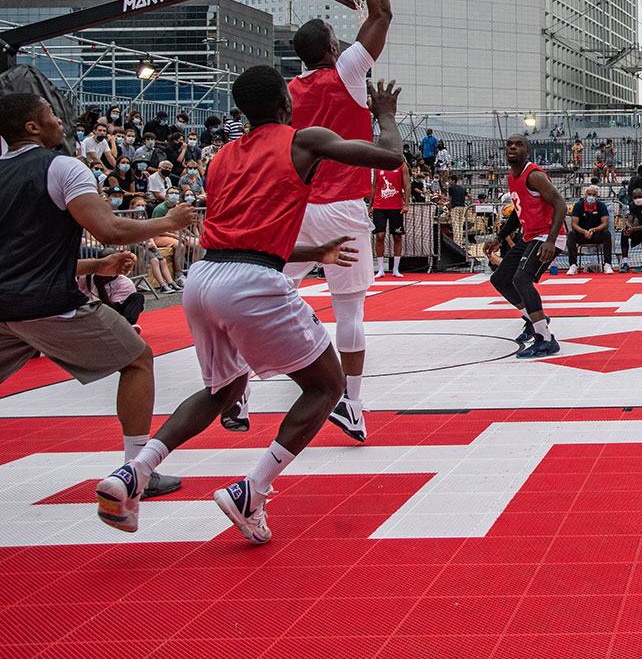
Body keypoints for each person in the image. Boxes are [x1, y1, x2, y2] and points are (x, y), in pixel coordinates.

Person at [95, 67, 403, 539]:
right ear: (285, 101)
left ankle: (133, 471)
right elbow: (389, 157)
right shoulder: (303, 140)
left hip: (203, 278)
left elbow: (244, 237)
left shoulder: (220, 158)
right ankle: (251, 492)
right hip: (250, 281)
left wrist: (312, 252)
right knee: (326, 387)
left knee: (223, 389)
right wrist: (384, 115)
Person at [0, 92, 197, 501]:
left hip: (5, 306)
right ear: (32, 127)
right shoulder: (61, 168)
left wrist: (94, 267)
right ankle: (137, 470)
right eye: (51, 114)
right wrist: (169, 220)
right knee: (138, 358)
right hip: (47, 304)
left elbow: (21, 256)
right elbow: (108, 228)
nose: (60, 120)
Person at [281, 0, 393, 444]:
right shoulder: (346, 70)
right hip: (344, 203)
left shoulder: (288, 91)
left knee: (273, 289)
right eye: (334, 35)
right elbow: (382, 12)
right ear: (330, 48)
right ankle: (353, 404)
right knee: (349, 308)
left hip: (298, 206)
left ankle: (236, 384)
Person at [483, 135, 567, 358]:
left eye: (518, 144)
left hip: (549, 236)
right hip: (531, 236)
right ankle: (533, 319)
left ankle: (545, 338)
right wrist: (499, 238)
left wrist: (550, 240)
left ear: (527, 151)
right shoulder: (513, 176)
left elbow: (560, 204)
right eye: (509, 144)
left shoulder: (535, 175)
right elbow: (517, 212)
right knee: (499, 279)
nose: (512, 146)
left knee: (522, 278)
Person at [127, 197, 180, 293]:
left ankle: (170, 282)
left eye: (143, 205)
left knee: (163, 261)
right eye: (138, 205)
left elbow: (149, 233)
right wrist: (145, 243)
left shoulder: (144, 218)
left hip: (149, 244)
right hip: (139, 245)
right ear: (131, 206)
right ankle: (162, 285)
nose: (141, 207)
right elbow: (131, 236)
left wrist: (152, 242)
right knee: (155, 261)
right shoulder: (128, 220)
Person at [369, 162, 410, 278]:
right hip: (379, 206)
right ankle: (380, 269)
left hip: (396, 206)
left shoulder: (401, 166)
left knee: (397, 236)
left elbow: (407, 185)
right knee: (380, 235)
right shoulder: (377, 166)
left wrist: (406, 204)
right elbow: (374, 186)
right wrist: (370, 205)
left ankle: (395, 269)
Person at [566, 185, 613, 275]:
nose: (591, 196)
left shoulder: (601, 206)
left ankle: (607, 264)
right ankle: (573, 265)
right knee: (571, 234)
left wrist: (594, 230)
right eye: (589, 194)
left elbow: (605, 224)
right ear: (585, 195)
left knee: (606, 233)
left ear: (596, 196)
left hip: (596, 234)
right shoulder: (578, 206)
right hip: (582, 235)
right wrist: (584, 231)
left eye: (593, 194)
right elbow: (574, 224)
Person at [620, 187, 642, 272]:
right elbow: (630, 220)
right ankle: (625, 263)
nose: (637, 199)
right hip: (638, 229)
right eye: (635, 197)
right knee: (624, 233)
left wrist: (634, 229)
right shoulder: (632, 205)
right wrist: (628, 227)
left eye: (639, 196)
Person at [448, 174, 470, 246]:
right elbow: (469, 195)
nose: (449, 182)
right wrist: (472, 205)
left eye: (450, 180)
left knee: (456, 225)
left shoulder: (451, 188)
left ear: (453, 181)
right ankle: (460, 242)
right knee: (460, 225)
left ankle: (456, 243)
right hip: (462, 207)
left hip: (455, 207)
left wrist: (450, 209)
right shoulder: (462, 188)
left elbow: (450, 199)